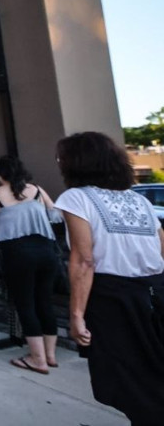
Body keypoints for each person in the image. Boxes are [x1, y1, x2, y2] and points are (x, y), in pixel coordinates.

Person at [53, 132, 164, 425]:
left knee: (128, 380)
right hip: (155, 291)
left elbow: (83, 259)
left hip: (112, 298)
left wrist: (76, 315)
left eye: (61, 156)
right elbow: (162, 248)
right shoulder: (139, 201)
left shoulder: (76, 198)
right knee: (152, 374)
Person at [0, 155, 60, 374]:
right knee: (44, 302)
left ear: (0, 174)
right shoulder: (37, 191)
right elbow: (55, 215)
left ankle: (37, 359)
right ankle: (51, 356)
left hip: (17, 254)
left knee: (25, 304)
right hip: (46, 251)